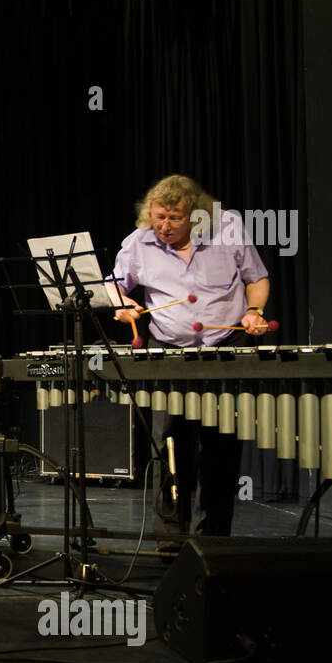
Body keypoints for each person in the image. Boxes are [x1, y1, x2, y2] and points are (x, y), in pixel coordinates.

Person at [112, 174, 270, 542]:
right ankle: (170, 537)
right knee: (169, 446)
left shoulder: (228, 229)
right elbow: (114, 284)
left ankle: (214, 537)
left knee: (221, 446)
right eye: (159, 217)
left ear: (197, 217)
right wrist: (123, 305)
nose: (164, 226)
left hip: (223, 348)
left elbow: (257, 277)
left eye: (175, 218)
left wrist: (255, 311)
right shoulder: (139, 242)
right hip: (168, 351)